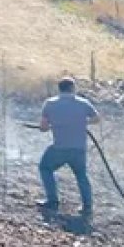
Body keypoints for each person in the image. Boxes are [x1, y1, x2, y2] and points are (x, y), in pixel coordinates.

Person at [37, 77, 100, 217]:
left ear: (59, 89)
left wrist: (52, 125)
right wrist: (82, 123)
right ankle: (87, 206)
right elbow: (97, 119)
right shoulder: (83, 103)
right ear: (73, 89)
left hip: (59, 147)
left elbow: (43, 127)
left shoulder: (50, 104)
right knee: (81, 175)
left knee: (45, 167)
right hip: (79, 148)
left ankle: (52, 201)